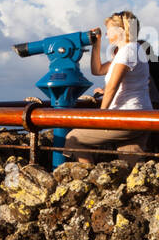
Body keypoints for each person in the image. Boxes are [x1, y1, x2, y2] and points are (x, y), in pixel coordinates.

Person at [63, 10, 152, 164]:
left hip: (127, 117)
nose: (106, 35)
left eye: (109, 30)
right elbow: (97, 70)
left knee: (73, 139)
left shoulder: (128, 51)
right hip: (140, 115)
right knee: (130, 164)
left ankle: (88, 177)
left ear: (121, 31)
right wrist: (96, 43)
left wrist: (101, 116)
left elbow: (112, 87)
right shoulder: (132, 50)